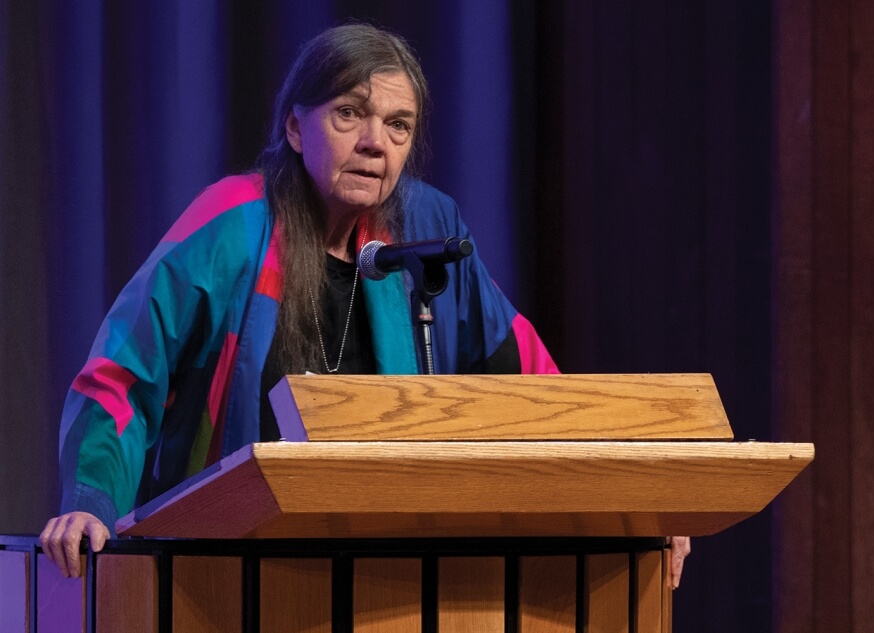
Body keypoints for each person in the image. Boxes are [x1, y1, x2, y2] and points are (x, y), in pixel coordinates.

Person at [40, 23, 688, 586]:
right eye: (349, 113)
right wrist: (91, 502)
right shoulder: (231, 227)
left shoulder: (428, 229)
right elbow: (121, 379)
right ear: (296, 126)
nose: (375, 141)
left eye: (398, 125)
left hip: (390, 571)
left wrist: (632, 501)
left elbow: (531, 381)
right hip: (224, 568)